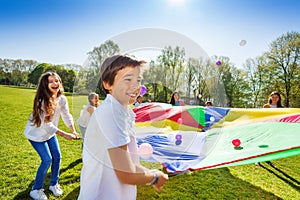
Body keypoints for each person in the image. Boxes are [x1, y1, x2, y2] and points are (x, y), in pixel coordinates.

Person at [78, 55, 169, 200]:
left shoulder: (123, 112)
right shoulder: (110, 113)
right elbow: (126, 173)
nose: (135, 86)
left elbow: (130, 164)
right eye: (127, 79)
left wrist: (150, 173)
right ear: (107, 84)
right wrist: (155, 177)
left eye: (138, 80)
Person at [24, 71, 79, 200]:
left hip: (49, 134)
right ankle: (36, 189)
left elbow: (66, 115)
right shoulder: (41, 100)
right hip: (36, 135)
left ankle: (54, 184)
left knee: (57, 157)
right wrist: (64, 134)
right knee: (47, 159)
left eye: (57, 80)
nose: (55, 83)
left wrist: (73, 130)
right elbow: (46, 124)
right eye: (51, 81)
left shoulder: (62, 98)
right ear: (45, 85)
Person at [256, 91, 283, 167]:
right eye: (273, 97)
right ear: (270, 97)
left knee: (270, 145)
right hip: (265, 127)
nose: (274, 98)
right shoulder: (266, 106)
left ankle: (267, 159)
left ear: (279, 98)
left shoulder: (281, 108)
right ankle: (257, 160)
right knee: (262, 143)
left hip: (274, 128)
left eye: (276, 97)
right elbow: (262, 116)